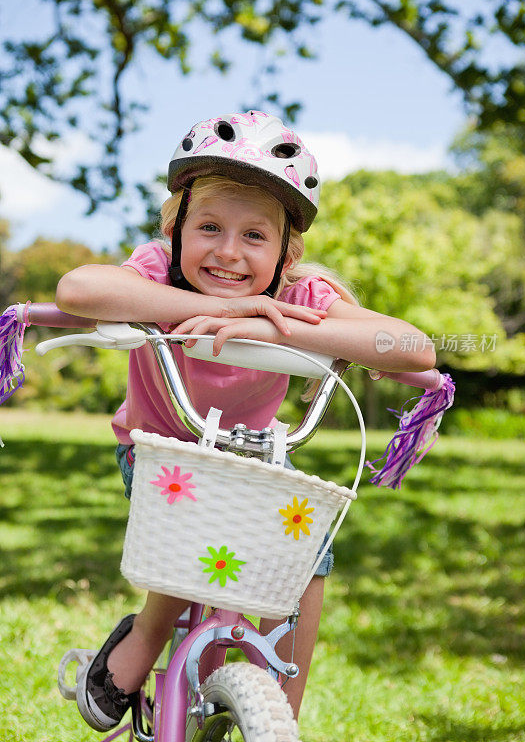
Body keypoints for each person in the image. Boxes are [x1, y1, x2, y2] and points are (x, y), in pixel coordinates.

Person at [56, 110, 436, 732]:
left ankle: (280, 717)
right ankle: (149, 633)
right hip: (160, 447)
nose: (228, 252)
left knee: (309, 546)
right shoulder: (155, 270)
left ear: (287, 253)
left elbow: (412, 347)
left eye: (254, 237)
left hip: (258, 453)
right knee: (197, 523)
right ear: (176, 231)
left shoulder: (299, 296)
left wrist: (260, 321)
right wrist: (207, 307)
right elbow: (77, 290)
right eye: (208, 227)